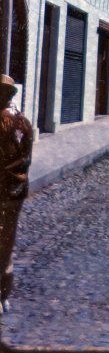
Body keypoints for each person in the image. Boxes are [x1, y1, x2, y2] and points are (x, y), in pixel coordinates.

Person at [0, 74, 33, 315]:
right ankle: (4, 296)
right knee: (7, 243)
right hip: (16, 191)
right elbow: (27, 158)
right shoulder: (23, 122)